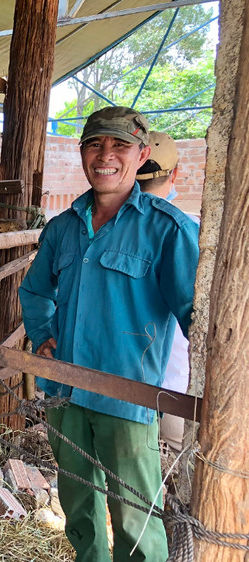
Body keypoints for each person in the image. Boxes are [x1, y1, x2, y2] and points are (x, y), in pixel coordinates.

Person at [19, 107, 200, 562]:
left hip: (129, 398)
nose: (106, 157)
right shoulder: (64, 227)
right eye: (95, 145)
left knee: (136, 512)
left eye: (120, 147)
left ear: (142, 156)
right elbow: (35, 292)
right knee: (77, 497)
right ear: (82, 153)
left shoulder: (167, 229)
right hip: (66, 391)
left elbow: (193, 316)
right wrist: (44, 335)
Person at [136, 131, 200, 455]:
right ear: (174, 174)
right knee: (176, 480)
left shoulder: (105, 228)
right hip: (175, 388)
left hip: (118, 389)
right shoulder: (189, 229)